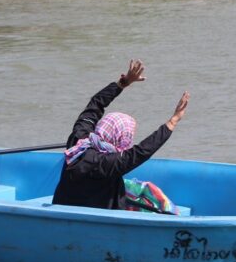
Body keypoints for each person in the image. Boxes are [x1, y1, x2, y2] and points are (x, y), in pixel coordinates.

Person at [52, 59, 189, 210]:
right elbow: (141, 152)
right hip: (95, 218)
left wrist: (122, 83)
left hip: (62, 210)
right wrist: (172, 122)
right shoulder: (108, 163)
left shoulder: (79, 140)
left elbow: (95, 104)